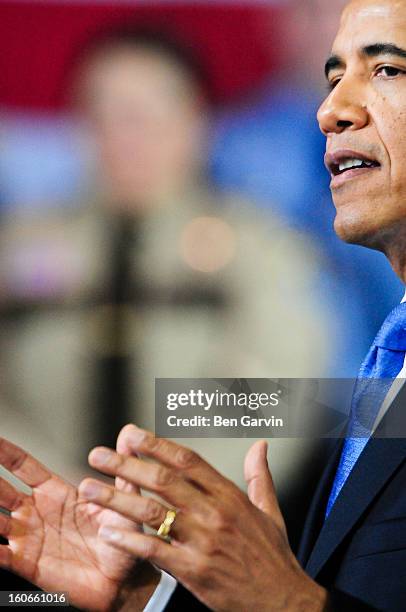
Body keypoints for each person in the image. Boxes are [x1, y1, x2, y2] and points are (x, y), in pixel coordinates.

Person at [1, 0, 406, 609]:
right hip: (47, 540)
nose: (125, 135)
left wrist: (149, 501)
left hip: (203, 539)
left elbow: (288, 406)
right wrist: (67, 494)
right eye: (105, 113)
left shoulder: (261, 245)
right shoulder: (20, 246)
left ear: (196, 120)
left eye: (145, 114)